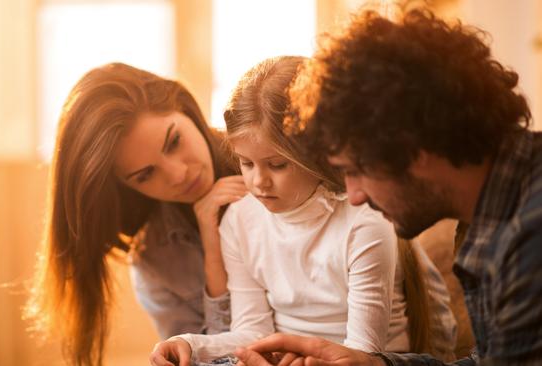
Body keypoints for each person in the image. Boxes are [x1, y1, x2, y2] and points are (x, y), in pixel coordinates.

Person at [235, 8, 542, 366]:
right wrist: (375, 364)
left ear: (416, 147)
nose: (354, 195)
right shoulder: (490, 212)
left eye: (356, 170)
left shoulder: (529, 237)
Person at [150, 56, 456, 366]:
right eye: (246, 163)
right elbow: (252, 331)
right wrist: (188, 342)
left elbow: (362, 354)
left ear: (317, 154)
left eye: (277, 164)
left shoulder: (364, 219)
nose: (258, 182)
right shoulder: (240, 218)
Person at [24, 63, 248, 366]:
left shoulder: (276, 158)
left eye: (174, 141)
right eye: (145, 175)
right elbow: (205, 363)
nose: (179, 174)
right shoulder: (155, 260)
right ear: (126, 188)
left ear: (185, 108)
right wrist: (213, 253)